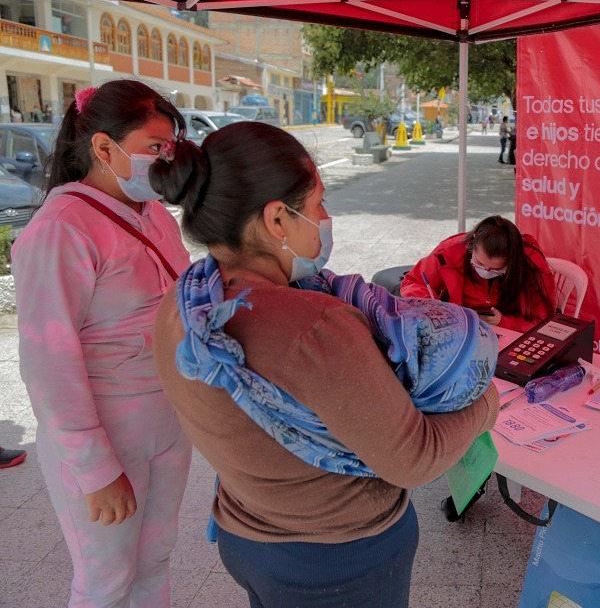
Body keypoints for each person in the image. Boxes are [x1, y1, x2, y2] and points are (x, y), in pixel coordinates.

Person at [151, 121, 499, 608]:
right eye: (317, 204)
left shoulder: (183, 302)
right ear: (277, 220)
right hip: (336, 562)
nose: (326, 216)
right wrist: (486, 405)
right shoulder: (314, 329)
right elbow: (414, 459)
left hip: (246, 533)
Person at [12, 79, 192, 607]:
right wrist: (95, 469)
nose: (164, 160)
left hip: (166, 421)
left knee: (154, 562)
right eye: (153, 148)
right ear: (104, 147)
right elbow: (48, 362)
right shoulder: (60, 228)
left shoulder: (153, 214)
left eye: (170, 148)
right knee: (105, 581)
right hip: (105, 433)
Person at [401, 215, 557, 332]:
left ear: (512, 260)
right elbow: (413, 282)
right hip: (458, 326)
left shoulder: (531, 263)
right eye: (480, 263)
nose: (486, 271)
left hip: (507, 330)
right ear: (473, 242)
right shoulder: (450, 252)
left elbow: (543, 321)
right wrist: (432, 304)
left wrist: (503, 322)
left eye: (497, 269)